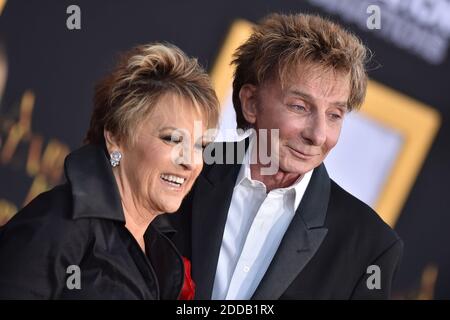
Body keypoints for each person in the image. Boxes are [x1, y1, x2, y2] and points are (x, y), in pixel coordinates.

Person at [157, 13, 403, 299]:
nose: (319, 135)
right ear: (250, 103)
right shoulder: (184, 165)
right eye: (300, 107)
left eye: (335, 115)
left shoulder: (369, 245)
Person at [0, 43, 219, 299]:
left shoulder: (165, 260)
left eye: (199, 146)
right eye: (171, 139)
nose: (190, 161)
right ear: (116, 137)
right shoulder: (61, 221)